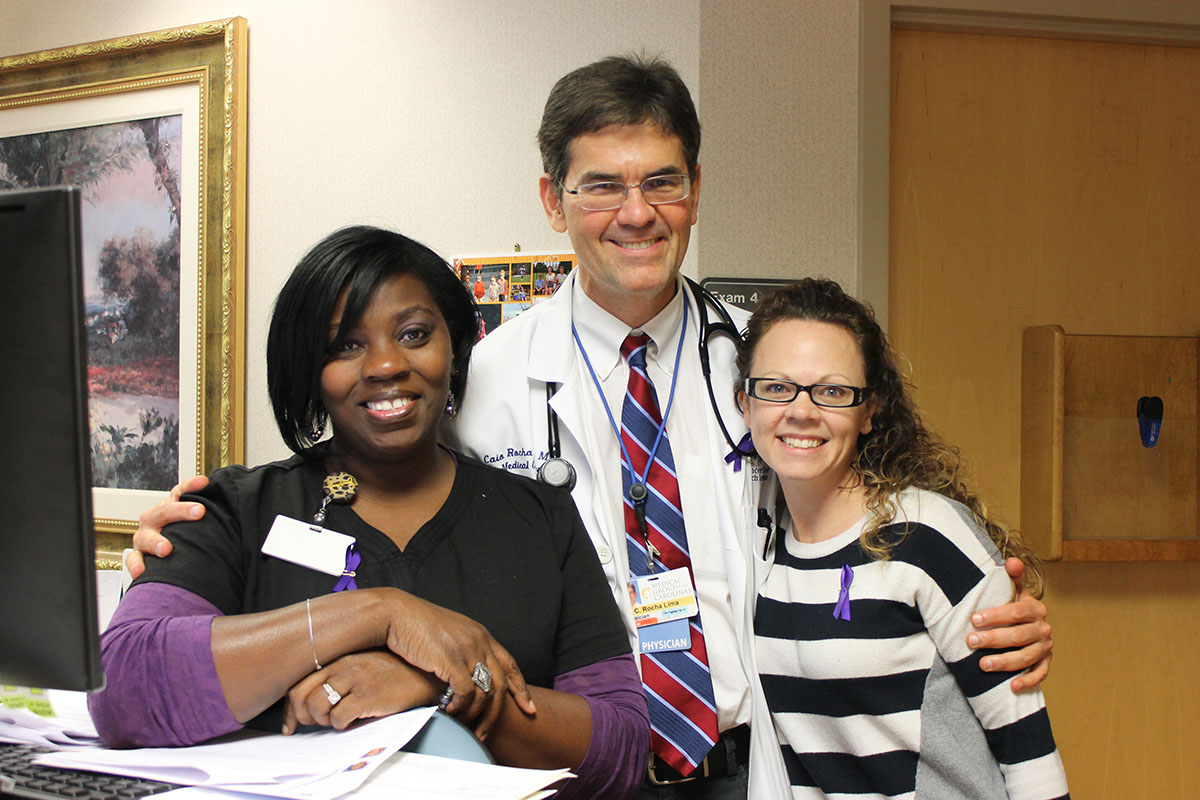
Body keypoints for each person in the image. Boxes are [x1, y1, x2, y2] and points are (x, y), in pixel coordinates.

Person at [128, 56, 1053, 799]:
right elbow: (390, 503)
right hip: (559, 758)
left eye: (662, 181)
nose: (637, 214)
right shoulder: (479, 375)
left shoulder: (761, 368)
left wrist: (991, 598)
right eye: (601, 186)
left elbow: (870, 500)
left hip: (745, 759)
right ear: (551, 200)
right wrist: (186, 542)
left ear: (696, 187)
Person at [95, 226, 648, 799]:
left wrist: (434, 690)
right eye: (345, 345)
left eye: (413, 334)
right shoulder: (236, 510)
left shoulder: (540, 517)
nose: (386, 365)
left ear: (455, 347)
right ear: (310, 369)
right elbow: (120, 691)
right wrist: (377, 615)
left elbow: (622, 750)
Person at [737, 279, 1069, 798]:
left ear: (869, 411)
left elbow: (1026, 748)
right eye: (777, 387)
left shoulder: (928, 536)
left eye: (832, 391)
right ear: (745, 403)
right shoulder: (756, 543)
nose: (801, 411)